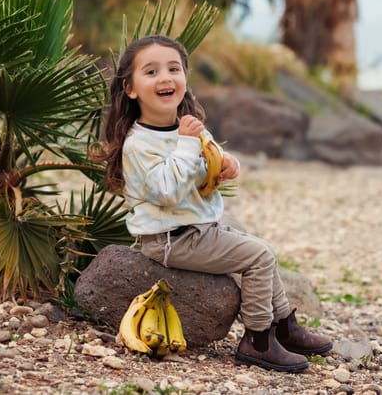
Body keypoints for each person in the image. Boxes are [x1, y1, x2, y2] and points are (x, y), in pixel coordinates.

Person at [93, 34, 332, 373]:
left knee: (258, 247)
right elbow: (167, 192)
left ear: (184, 77)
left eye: (173, 68)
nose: (165, 77)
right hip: (171, 239)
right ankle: (258, 340)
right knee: (259, 256)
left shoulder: (187, 127)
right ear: (130, 88)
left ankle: (284, 326)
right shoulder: (139, 145)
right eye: (151, 72)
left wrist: (228, 164)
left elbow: (212, 157)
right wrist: (188, 144)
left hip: (199, 228)